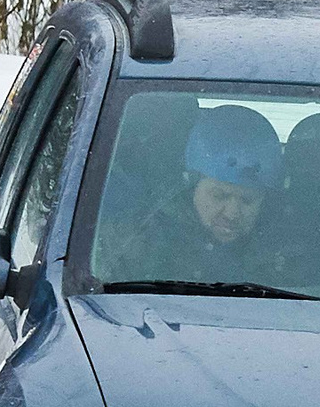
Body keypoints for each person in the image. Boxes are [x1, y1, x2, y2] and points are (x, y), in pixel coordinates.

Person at [100, 105, 307, 282]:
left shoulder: (292, 250)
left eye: (247, 200)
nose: (232, 213)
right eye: (219, 196)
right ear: (191, 187)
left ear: (265, 201)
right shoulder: (133, 242)